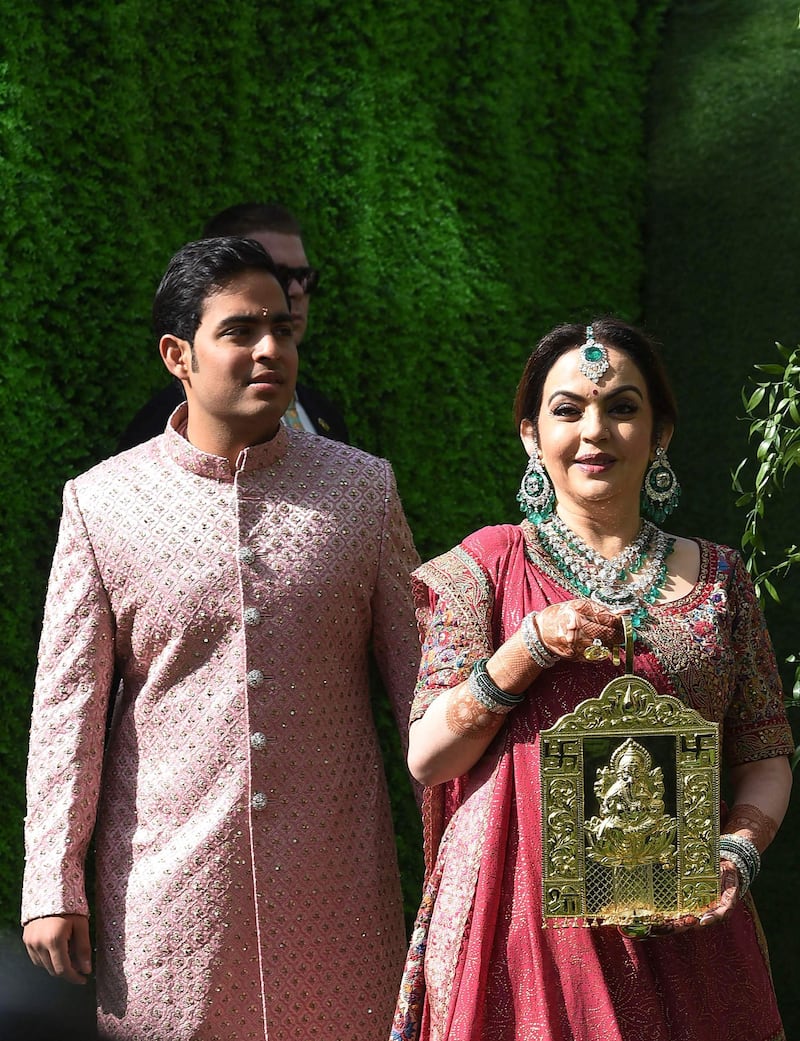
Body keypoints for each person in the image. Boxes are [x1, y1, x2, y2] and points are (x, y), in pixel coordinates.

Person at [22, 237, 421, 1041]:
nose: (271, 347)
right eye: (241, 330)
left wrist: (470, 865)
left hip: (337, 883)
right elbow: (68, 709)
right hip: (168, 895)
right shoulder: (104, 504)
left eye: (281, 326)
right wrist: (51, 882)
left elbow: (426, 694)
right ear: (179, 353)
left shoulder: (361, 488)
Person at [391, 318, 793, 1041]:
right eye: (568, 409)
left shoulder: (721, 578)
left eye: (623, 407)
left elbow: (764, 755)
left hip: (683, 927)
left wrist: (735, 849)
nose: (595, 430)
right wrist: (530, 646)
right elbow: (428, 756)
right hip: (516, 930)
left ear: (660, 433)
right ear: (530, 436)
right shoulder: (484, 567)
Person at [117, 202, 348, 450]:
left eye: (304, 277)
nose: (296, 290)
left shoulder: (324, 414)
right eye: (277, 274)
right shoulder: (155, 438)